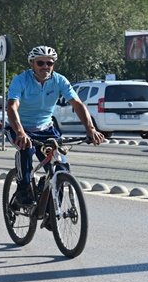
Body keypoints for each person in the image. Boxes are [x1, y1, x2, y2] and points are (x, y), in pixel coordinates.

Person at [6, 45, 104, 206]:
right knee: (26, 149)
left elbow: (78, 104)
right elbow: (12, 107)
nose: (45, 66)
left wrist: (91, 129)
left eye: (49, 63)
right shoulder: (20, 80)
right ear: (32, 64)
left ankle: (50, 203)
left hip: (46, 129)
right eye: (40, 63)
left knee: (61, 168)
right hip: (20, 128)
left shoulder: (59, 80)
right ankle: (22, 191)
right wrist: (20, 132)